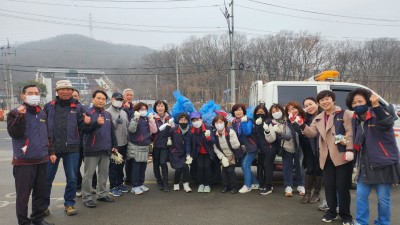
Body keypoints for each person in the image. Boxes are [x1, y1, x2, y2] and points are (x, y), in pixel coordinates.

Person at [296, 90, 354, 225]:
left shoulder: (344, 114)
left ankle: (346, 215)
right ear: (319, 103)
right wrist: (302, 124)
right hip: (325, 157)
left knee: (343, 187)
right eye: (322, 100)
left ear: (333, 99)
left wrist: (350, 149)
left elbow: (350, 132)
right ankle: (331, 212)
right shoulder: (318, 118)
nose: (325, 102)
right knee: (329, 187)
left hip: (341, 156)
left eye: (327, 99)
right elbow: (311, 133)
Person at [345, 88, 400, 225]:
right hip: (364, 163)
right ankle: (361, 222)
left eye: (360, 101)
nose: (357, 104)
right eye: (354, 103)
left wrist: (376, 105)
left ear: (368, 101)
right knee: (361, 196)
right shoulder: (356, 119)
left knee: (383, 199)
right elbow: (358, 138)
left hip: (383, 163)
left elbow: (388, 122)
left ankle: (382, 222)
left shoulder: (378, 114)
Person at [7, 84, 55, 225]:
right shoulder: (15, 112)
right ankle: (23, 222)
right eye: (30, 93)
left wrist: (51, 151)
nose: (34, 95)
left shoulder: (42, 113)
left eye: (36, 93)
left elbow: (47, 134)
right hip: (24, 161)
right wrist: (20, 116)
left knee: (40, 193)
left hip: (42, 159)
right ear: (23, 96)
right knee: (23, 196)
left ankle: (37, 219)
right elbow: (15, 134)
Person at [43, 80, 89, 216]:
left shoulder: (78, 108)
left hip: (72, 149)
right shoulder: (49, 107)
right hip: (52, 149)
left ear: (72, 91)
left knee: (73, 178)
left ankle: (69, 204)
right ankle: (43, 206)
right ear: (57, 91)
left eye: (68, 89)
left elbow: (84, 128)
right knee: (47, 179)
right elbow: (42, 128)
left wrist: (92, 123)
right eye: (62, 89)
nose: (65, 91)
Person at [81, 90, 118, 208]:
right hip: (92, 149)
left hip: (106, 149)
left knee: (103, 174)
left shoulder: (107, 114)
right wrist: (95, 123)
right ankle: (86, 197)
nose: (101, 101)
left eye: (103, 99)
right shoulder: (87, 113)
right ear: (93, 99)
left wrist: (114, 145)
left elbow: (111, 131)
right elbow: (84, 130)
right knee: (88, 175)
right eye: (99, 98)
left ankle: (101, 194)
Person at [269, 103, 304, 197]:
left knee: (299, 166)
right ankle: (288, 186)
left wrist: (281, 132)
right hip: (285, 147)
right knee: (287, 168)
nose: (275, 113)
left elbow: (292, 134)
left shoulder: (289, 119)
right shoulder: (273, 122)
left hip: (297, 147)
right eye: (273, 112)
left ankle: (301, 185)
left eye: (277, 110)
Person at [127, 102, 157, 195]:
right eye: (141, 109)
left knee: (143, 167)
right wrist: (135, 118)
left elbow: (154, 130)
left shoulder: (146, 119)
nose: (143, 111)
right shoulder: (135, 118)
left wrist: (151, 120)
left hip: (145, 146)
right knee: (136, 167)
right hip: (136, 146)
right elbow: (131, 130)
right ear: (137, 110)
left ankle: (140, 184)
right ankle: (135, 186)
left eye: (145, 109)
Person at [72, 89, 97, 198]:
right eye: (72, 95)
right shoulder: (66, 109)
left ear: (79, 96)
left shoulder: (84, 109)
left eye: (76, 95)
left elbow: (90, 124)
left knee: (90, 167)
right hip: (74, 145)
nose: (74, 97)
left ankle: (93, 185)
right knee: (75, 168)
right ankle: (78, 187)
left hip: (86, 143)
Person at [231, 103, 259, 193]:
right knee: (244, 167)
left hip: (251, 147)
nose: (238, 112)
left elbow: (247, 132)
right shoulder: (234, 122)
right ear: (233, 112)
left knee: (245, 165)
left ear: (243, 111)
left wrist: (243, 122)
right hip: (243, 149)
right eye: (236, 110)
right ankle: (255, 183)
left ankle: (247, 186)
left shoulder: (248, 120)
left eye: (240, 110)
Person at [106, 92, 130, 197]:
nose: (119, 101)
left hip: (124, 143)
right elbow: (106, 129)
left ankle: (120, 184)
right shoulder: (107, 112)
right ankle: (112, 187)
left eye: (121, 100)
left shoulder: (124, 112)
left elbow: (127, 126)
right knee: (113, 166)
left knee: (121, 165)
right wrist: (115, 122)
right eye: (117, 99)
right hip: (115, 145)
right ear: (112, 100)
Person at [186, 111, 215, 193]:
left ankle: (207, 184)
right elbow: (188, 143)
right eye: (193, 120)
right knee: (200, 168)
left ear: (201, 119)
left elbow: (213, 141)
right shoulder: (191, 130)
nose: (196, 122)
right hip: (198, 153)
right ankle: (201, 184)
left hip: (208, 152)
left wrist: (209, 137)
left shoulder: (208, 127)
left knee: (207, 167)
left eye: (197, 119)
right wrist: (188, 154)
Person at [302, 97, 323, 204]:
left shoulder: (324, 115)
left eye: (311, 104)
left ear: (317, 103)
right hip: (309, 147)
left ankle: (317, 193)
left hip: (321, 147)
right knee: (309, 169)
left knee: (319, 170)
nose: (309, 107)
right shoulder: (306, 117)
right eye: (306, 106)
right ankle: (307, 193)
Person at [253, 103, 278, 195]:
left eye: (262, 112)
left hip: (270, 148)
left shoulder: (269, 121)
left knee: (268, 166)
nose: (260, 114)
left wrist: (263, 127)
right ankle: (262, 183)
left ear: (266, 112)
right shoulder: (255, 122)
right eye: (258, 112)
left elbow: (272, 137)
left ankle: (268, 186)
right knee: (261, 165)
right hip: (261, 148)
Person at [212, 114, 241, 194]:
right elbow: (215, 148)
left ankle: (235, 186)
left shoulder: (230, 132)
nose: (219, 124)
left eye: (220, 122)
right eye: (216, 123)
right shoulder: (214, 134)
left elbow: (236, 146)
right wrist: (222, 157)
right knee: (223, 171)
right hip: (223, 155)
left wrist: (232, 139)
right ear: (214, 124)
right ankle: (225, 186)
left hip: (232, 155)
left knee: (230, 170)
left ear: (224, 123)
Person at [167, 113, 192, 192]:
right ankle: (176, 183)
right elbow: (166, 134)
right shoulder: (174, 129)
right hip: (176, 153)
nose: (183, 121)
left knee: (186, 168)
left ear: (188, 121)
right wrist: (168, 127)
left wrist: (189, 154)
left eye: (185, 120)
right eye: (181, 120)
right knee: (178, 169)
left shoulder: (190, 130)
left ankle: (186, 184)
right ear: (178, 120)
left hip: (185, 153)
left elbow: (190, 142)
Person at [152, 100, 174, 192]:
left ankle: (165, 183)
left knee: (163, 163)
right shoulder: (152, 118)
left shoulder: (169, 118)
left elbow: (173, 130)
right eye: (158, 106)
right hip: (156, 145)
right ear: (155, 108)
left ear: (165, 107)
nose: (160, 108)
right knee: (156, 164)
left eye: (162, 106)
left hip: (165, 145)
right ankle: (159, 182)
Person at [122, 88, 135, 185]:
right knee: (123, 159)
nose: (129, 97)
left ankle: (130, 177)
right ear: (123, 96)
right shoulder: (120, 107)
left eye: (131, 95)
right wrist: (125, 109)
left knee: (131, 159)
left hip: (133, 136)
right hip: (122, 136)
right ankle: (124, 178)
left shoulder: (134, 107)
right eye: (127, 95)